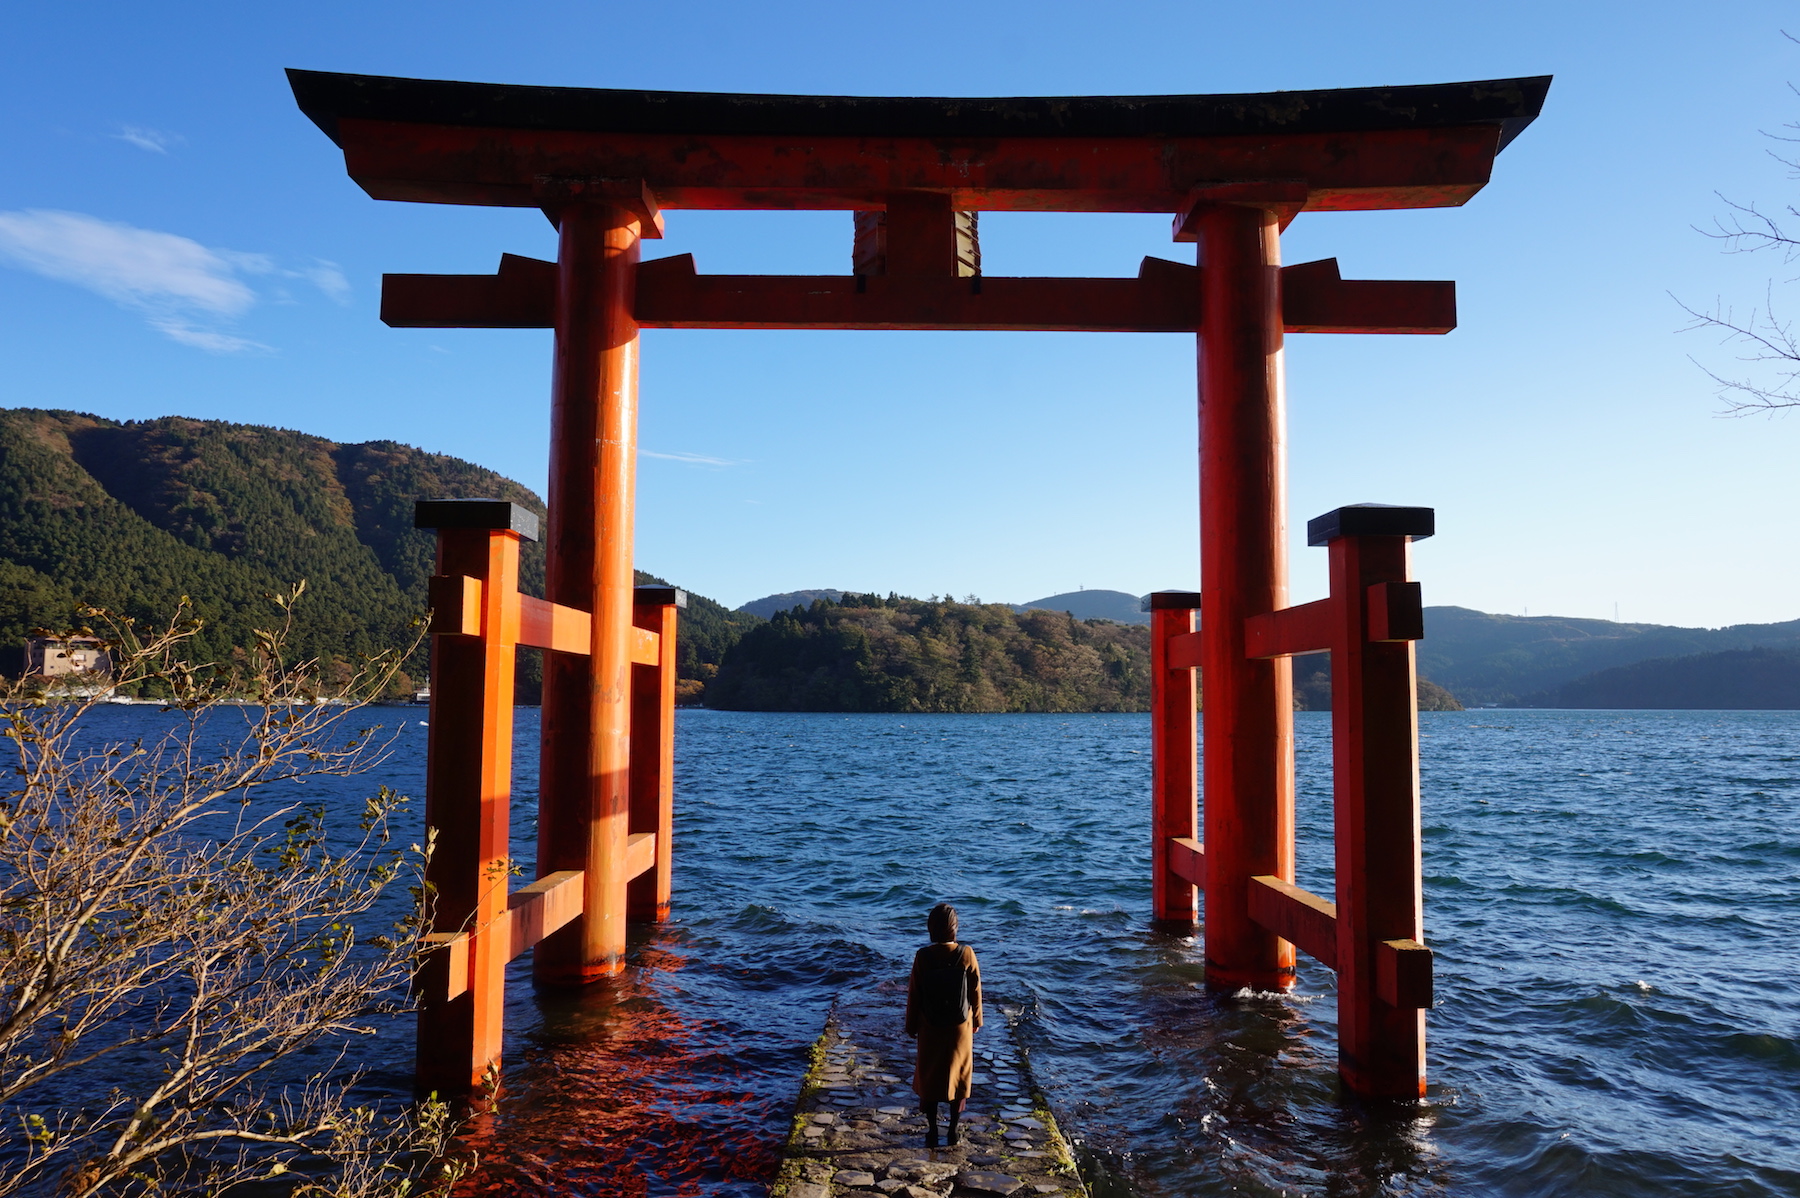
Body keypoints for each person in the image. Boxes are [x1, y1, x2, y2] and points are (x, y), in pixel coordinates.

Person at [903, 902, 983, 1148]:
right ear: (955, 928)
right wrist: (976, 1021)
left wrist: (911, 1025)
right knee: (958, 1078)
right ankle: (953, 1131)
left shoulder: (923, 956)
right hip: (960, 1027)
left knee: (930, 1078)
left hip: (930, 1026)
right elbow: (976, 991)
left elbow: (914, 994)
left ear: (931, 929)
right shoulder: (966, 953)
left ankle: (932, 1131)